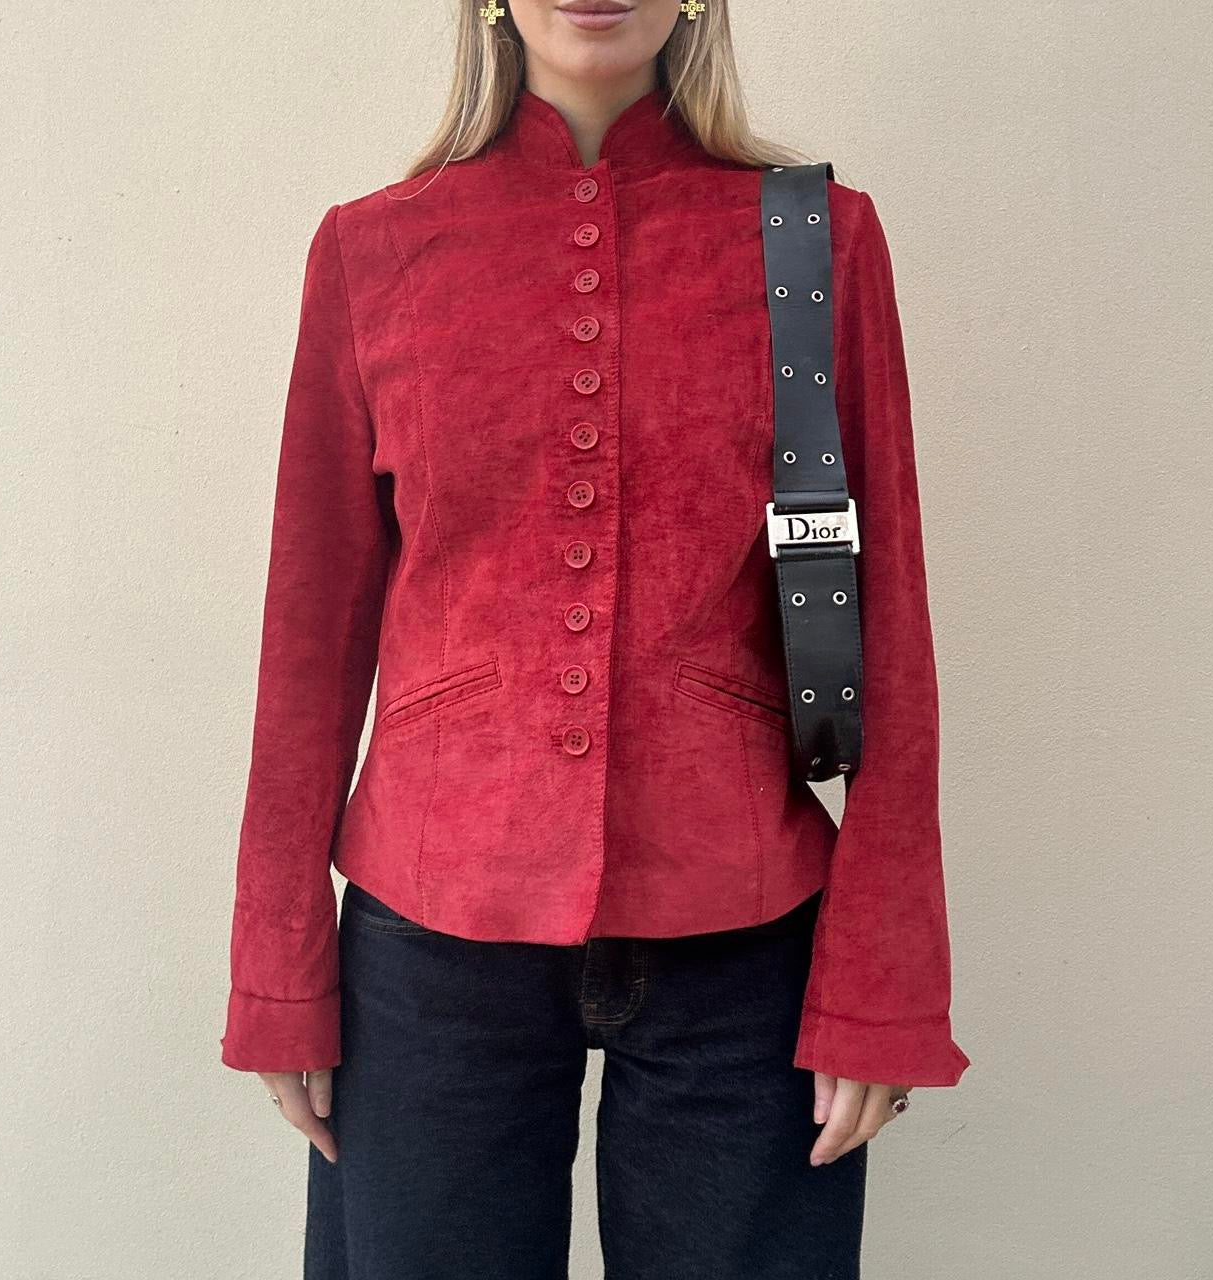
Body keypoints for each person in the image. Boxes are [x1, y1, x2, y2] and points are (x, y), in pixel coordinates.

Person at [220, 1, 971, 1275]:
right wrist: (275, 961)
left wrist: (881, 982)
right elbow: (309, 634)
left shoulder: (815, 241)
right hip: (431, 933)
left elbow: (885, 614)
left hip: (741, 937)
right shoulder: (371, 248)